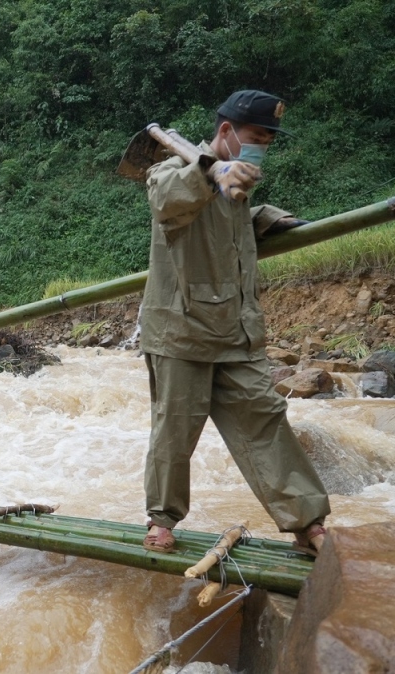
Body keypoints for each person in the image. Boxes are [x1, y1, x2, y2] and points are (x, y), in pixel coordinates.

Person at [138, 90, 331, 555]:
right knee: (175, 428)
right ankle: (162, 521)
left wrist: (269, 218)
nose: (261, 147)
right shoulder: (172, 173)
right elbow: (169, 201)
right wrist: (209, 172)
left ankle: (308, 525)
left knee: (266, 422)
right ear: (226, 132)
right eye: (256, 137)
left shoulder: (239, 186)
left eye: (268, 140)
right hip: (181, 331)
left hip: (236, 333)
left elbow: (231, 224)